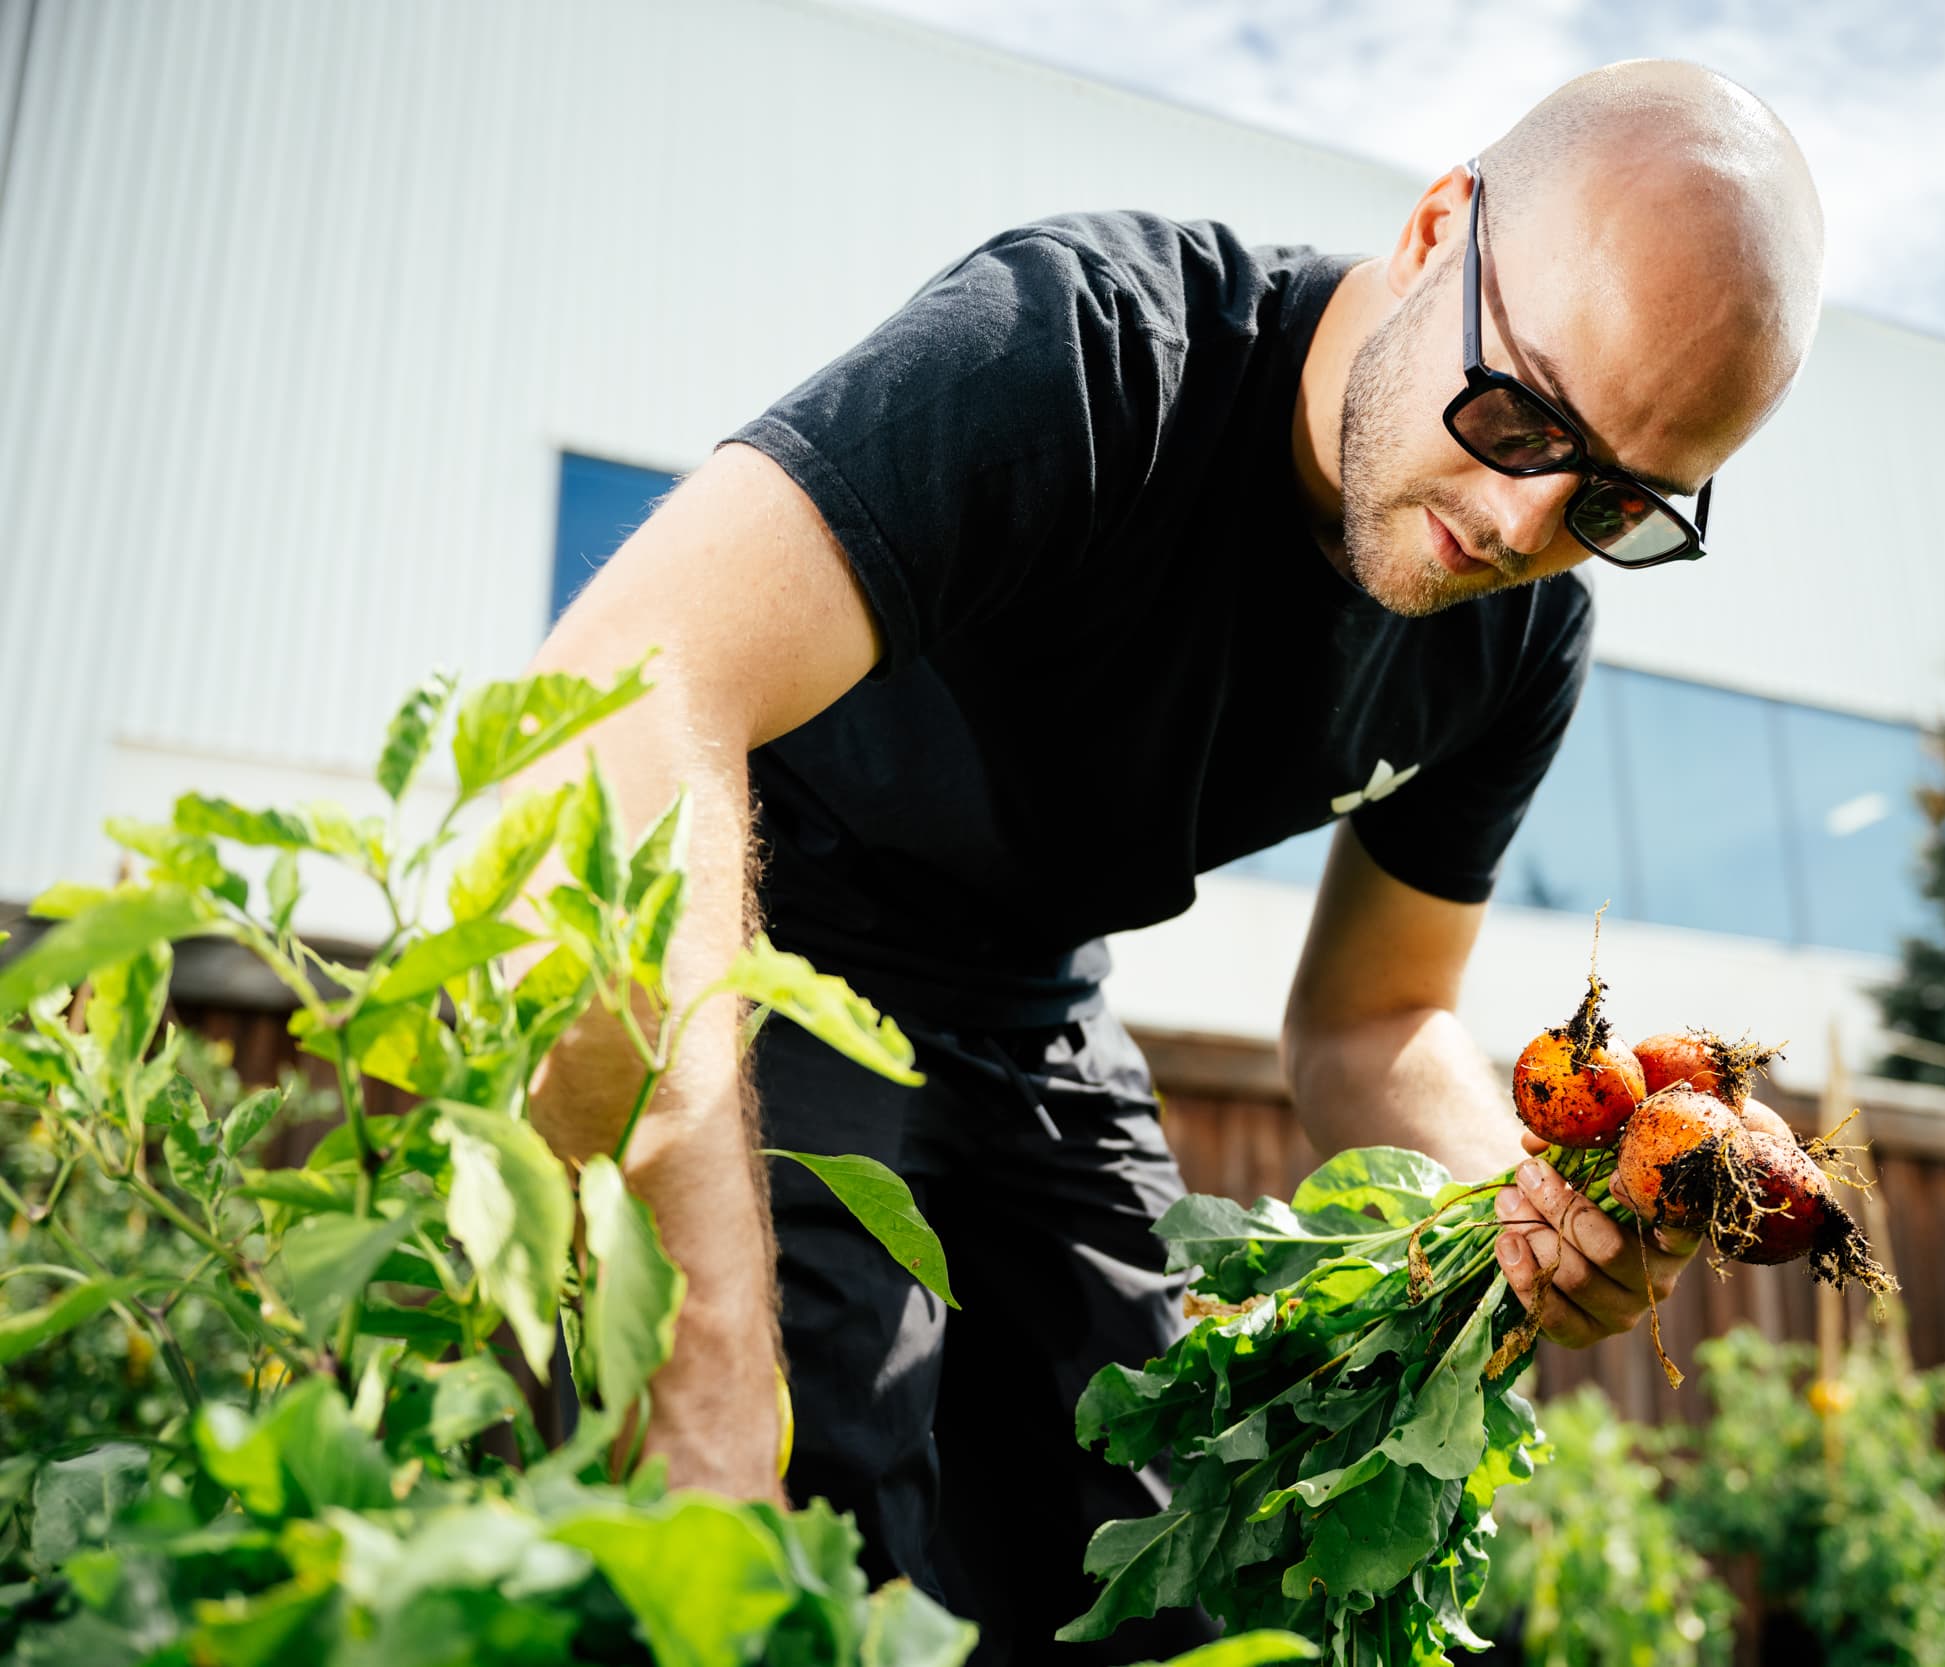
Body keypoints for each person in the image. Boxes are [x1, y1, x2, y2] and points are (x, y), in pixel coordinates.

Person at [517, 57, 1824, 1662]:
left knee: (1165, 1521)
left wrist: (1523, 1201)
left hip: (1038, 1010)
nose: (1519, 516)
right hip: (772, 931)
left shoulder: (1521, 638)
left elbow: (1375, 1021)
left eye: (1618, 498)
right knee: (800, 1498)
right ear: (1434, 233)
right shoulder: (1079, 353)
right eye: (1518, 412)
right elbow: (629, 695)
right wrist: (703, 1356)